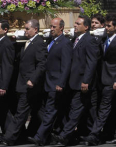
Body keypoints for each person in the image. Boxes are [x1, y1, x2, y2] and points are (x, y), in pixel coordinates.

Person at [51, 15, 99, 146]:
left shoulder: (89, 40)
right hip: (74, 82)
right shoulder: (75, 39)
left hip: (82, 82)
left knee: (76, 110)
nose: (75, 25)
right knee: (87, 111)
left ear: (86, 27)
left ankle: (64, 135)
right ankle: (92, 135)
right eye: (75, 23)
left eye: (78, 23)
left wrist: (86, 81)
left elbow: (91, 62)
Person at [0, 19, 47, 146]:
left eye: (27, 29)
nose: (25, 31)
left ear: (35, 29)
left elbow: (42, 64)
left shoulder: (38, 43)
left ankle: (9, 138)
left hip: (29, 84)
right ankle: (48, 134)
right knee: (39, 111)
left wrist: (33, 79)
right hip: (23, 83)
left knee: (21, 112)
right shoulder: (28, 42)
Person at [84, 14, 116, 146]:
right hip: (102, 79)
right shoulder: (102, 39)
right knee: (111, 108)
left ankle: (94, 134)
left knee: (104, 107)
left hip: (112, 79)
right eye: (106, 26)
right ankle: (113, 133)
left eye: (109, 26)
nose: (107, 28)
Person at [29, 18, 72, 146]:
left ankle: (39, 137)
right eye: (51, 27)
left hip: (55, 83)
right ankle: (62, 135)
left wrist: (61, 83)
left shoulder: (65, 43)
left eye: (54, 27)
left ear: (61, 28)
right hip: (46, 83)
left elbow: (65, 66)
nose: (51, 29)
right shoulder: (50, 41)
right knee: (54, 111)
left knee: (50, 111)